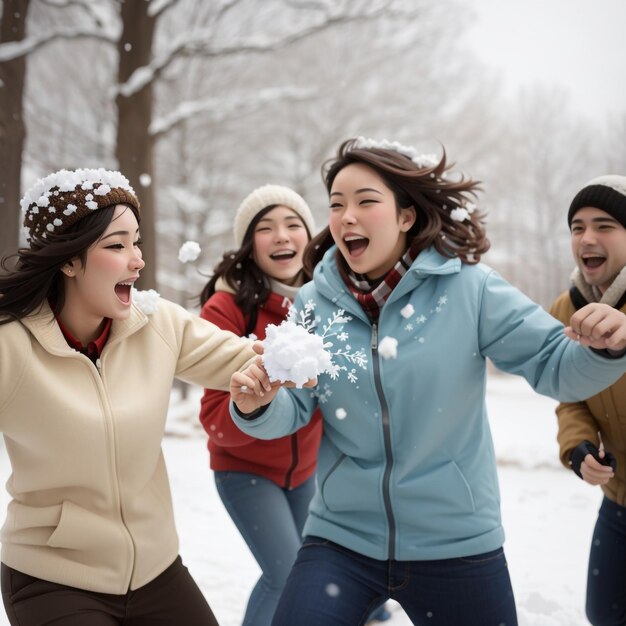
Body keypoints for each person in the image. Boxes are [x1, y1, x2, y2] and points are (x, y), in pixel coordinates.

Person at [228, 138, 626, 626]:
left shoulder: (469, 289)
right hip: (341, 540)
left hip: (456, 544)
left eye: (365, 201)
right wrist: (258, 405)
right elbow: (296, 406)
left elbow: (556, 365)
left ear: (405, 216)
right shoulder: (314, 303)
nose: (346, 216)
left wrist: (609, 347)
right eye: (336, 205)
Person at [0, 168, 259, 626]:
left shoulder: (157, 324)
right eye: (116, 246)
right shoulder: (11, 346)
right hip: (53, 579)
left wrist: (288, 363)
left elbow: (246, 359)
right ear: (68, 260)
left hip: (156, 572)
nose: (137, 261)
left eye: (136, 243)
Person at [198, 184, 390, 625]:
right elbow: (215, 423)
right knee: (284, 576)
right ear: (249, 245)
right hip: (244, 472)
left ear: (310, 236)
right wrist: (259, 400)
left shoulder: (328, 302)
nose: (282, 236)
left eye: (293, 224)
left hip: (306, 473)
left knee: (321, 573)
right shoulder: (227, 308)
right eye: (266, 228)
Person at [549, 175, 626, 626]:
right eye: (577, 227)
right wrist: (577, 448)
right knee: (606, 614)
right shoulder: (569, 307)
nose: (587, 238)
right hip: (618, 499)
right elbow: (569, 394)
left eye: (605, 225)